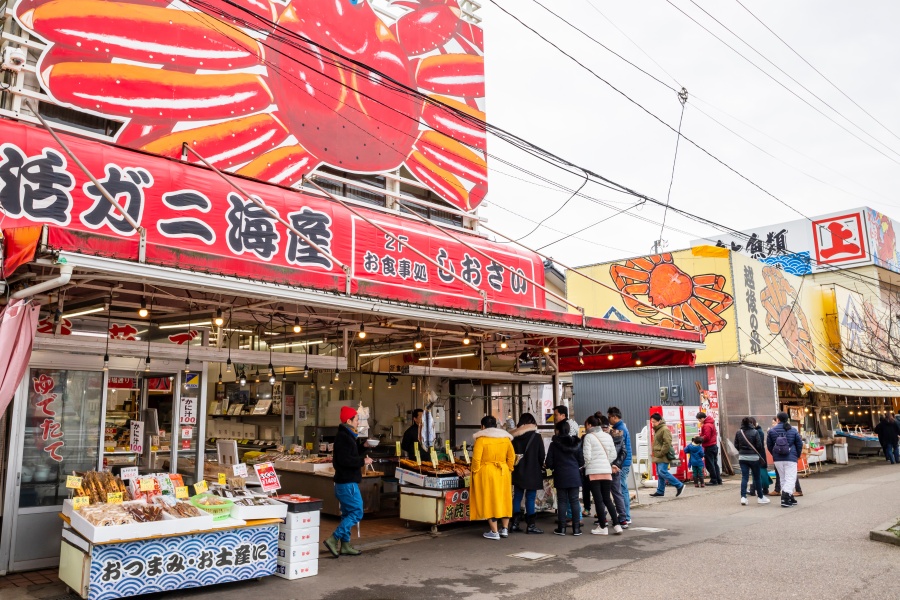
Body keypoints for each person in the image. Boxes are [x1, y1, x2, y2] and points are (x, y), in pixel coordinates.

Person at [323, 406, 373, 557]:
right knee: (357, 512)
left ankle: (345, 545)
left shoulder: (346, 435)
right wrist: (363, 461)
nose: (358, 422)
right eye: (357, 419)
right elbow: (346, 460)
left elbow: (350, 454)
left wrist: (363, 447)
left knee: (347, 514)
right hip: (347, 483)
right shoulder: (344, 437)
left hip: (343, 483)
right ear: (349, 420)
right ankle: (333, 539)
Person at [471, 415, 516, 540]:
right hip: (503, 471)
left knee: (490, 499)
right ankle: (505, 529)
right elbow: (512, 457)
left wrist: (475, 471)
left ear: (483, 427)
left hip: (487, 472)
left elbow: (476, 459)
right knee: (504, 498)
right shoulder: (505, 438)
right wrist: (509, 469)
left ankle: (494, 531)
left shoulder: (481, 439)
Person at [582, 416, 623, 535]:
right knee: (607, 499)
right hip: (606, 471)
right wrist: (605, 463)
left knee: (598, 500)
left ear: (589, 425)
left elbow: (587, 456)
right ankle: (616, 525)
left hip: (594, 472)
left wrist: (590, 465)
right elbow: (613, 454)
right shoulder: (608, 436)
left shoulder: (588, 437)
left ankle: (602, 526)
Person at [545, 420, 584, 536]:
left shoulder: (554, 444)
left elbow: (549, 463)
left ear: (558, 430)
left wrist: (554, 466)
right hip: (574, 476)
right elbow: (581, 461)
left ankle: (561, 529)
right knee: (574, 501)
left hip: (561, 475)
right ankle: (576, 529)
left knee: (562, 501)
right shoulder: (576, 443)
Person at [510, 413, 545, 534]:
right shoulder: (536, 437)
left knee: (517, 497)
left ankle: (514, 523)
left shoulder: (514, 437)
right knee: (530, 498)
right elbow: (541, 456)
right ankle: (531, 525)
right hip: (532, 471)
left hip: (518, 471)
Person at [766, 412, 803, 508]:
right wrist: (797, 455)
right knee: (791, 478)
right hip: (791, 458)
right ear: (787, 419)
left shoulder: (772, 431)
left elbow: (769, 445)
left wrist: (774, 454)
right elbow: (799, 444)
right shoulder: (793, 430)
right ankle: (785, 498)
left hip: (778, 458)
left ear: (778, 419)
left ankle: (790, 497)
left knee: (783, 478)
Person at [734, 417, 770, 505]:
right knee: (757, 477)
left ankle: (743, 497)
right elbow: (759, 445)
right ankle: (760, 497)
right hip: (754, 458)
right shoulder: (755, 432)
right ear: (751, 423)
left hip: (742, 457)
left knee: (744, 477)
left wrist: (742, 451)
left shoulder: (739, 432)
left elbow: (736, 444)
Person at [603, 413, 629, 530]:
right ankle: (623, 519)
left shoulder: (599, 438)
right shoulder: (618, 435)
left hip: (604, 469)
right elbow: (624, 451)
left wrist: (613, 465)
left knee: (603, 494)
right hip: (615, 469)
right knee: (617, 493)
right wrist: (617, 465)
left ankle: (603, 518)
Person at [649, 413, 684, 498]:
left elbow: (667, 443)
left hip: (663, 455)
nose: (652, 424)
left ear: (659, 421)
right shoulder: (658, 429)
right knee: (659, 473)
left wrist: (661, 453)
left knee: (662, 471)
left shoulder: (664, 429)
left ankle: (679, 485)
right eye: (651, 422)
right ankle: (660, 491)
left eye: (654, 422)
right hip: (658, 454)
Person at [607, 407, 633, 525]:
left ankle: (626, 516)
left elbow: (620, 449)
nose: (608, 420)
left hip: (621, 463)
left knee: (621, 490)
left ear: (615, 417)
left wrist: (617, 464)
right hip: (623, 462)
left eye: (609, 417)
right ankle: (625, 515)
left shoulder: (620, 429)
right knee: (622, 489)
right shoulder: (620, 427)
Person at [697, 412, 722, 485]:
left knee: (709, 464)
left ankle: (714, 480)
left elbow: (707, 437)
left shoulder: (706, 425)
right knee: (714, 463)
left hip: (709, 446)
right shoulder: (711, 423)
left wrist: (699, 438)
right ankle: (718, 479)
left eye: (699, 420)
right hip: (714, 446)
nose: (699, 421)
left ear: (702, 418)